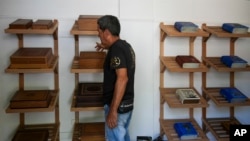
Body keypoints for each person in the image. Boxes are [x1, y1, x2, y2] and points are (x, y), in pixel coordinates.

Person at [96, 15, 136, 141]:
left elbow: (122, 79)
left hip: (117, 108)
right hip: (126, 105)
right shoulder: (125, 46)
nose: (98, 35)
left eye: (99, 32)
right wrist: (106, 47)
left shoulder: (116, 51)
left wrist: (113, 111)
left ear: (106, 32)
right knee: (123, 137)